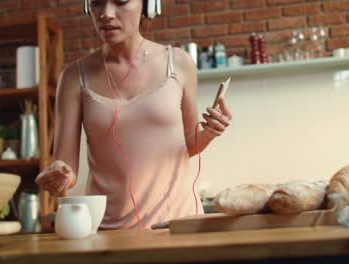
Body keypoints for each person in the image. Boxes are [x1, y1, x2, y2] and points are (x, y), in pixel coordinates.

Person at [35, 0, 232, 229]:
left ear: (148, 5)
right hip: (109, 231)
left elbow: (188, 144)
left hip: (179, 225)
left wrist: (208, 132)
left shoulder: (179, 64)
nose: (106, 14)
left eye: (121, 1)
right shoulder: (73, 77)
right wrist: (59, 176)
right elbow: (66, 167)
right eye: (97, 3)